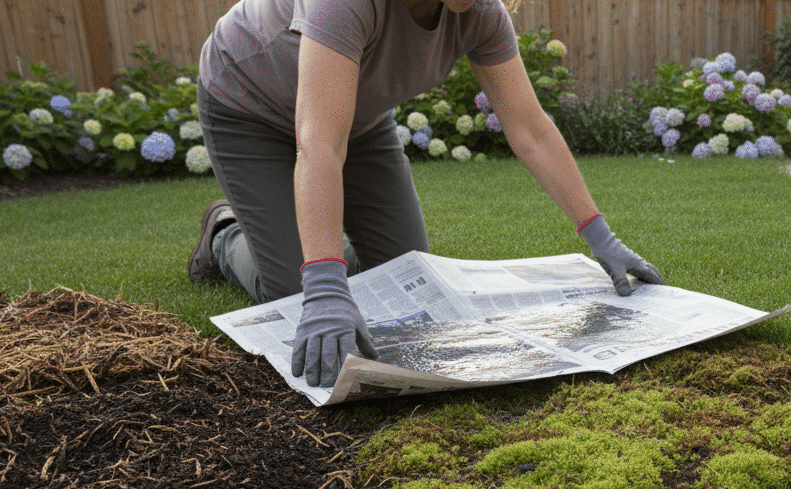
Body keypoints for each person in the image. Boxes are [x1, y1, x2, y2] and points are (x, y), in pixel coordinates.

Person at [189, 0, 664, 387]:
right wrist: (324, 282)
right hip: (249, 107)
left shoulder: (480, 14)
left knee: (408, 271)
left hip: (356, 118)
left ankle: (311, 241)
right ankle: (225, 234)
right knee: (300, 288)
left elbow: (530, 130)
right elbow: (318, 144)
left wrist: (602, 238)